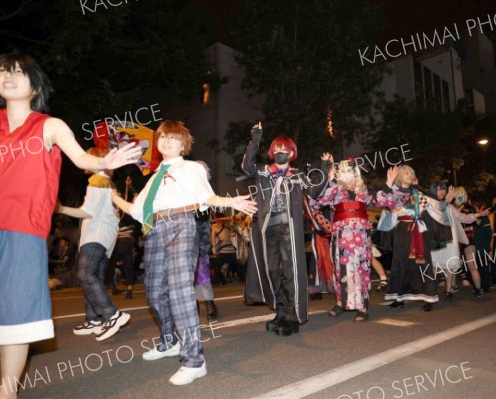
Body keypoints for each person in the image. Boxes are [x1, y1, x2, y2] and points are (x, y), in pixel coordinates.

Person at [0, 53, 141, 399]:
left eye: (20, 73)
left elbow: (81, 157)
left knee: (15, 319)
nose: (10, 77)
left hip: (23, 232)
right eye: (3, 72)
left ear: (36, 86)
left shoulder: (48, 126)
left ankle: (6, 394)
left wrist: (104, 161)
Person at [111, 120, 256, 385]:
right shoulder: (154, 176)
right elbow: (135, 210)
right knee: (154, 292)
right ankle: (169, 341)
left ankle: (194, 360)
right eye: (163, 136)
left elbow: (205, 196)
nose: (166, 141)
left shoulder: (190, 168)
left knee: (179, 292)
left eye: (173, 137)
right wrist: (112, 194)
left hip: (180, 225)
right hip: (153, 230)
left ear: (183, 144)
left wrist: (229, 201)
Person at [242, 122, 332, 336]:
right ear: (273, 152)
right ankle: (280, 310)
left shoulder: (298, 175)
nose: (282, 152)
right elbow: (247, 166)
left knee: (291, 272)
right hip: (267, 228)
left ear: (292, 153)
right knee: (271, 270)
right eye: (279, 149)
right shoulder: (263, 172)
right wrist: (255, 140)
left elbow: (315, 192)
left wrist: (325, 167)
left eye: (287, 149)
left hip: (289, 228)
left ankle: (292, 314)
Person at [55, 147, 130, 341]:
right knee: (93, 276)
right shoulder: (107, 181)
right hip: (105, 237)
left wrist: (62, 208)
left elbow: (88, 212)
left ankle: (112, 314)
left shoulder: (97, 181)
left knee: (85, 273)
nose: (83, 159)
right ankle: (94, 318)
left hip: (96, 235)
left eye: (88, 156)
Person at [377, 165, 454, 312]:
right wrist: (388, 184)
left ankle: (429, 298)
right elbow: (382, 202)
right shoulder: (393, 192)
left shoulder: (419, 193)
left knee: (423, 264)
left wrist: (446, 202)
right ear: (399, 175)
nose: (409, 174)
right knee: (400, 264)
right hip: (401, 232)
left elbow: (437, 208)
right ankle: (400, 297)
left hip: (419, 231)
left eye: (411, 172)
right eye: (406, 172)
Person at [311, 158, 372, 321]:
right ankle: (340, 302)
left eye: (349, 171)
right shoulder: (334, 190)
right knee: (340, 267)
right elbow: (314, 202)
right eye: (343, 171)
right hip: (342, 234)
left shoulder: (364, 191)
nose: (346, 174)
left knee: (362, 268)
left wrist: (389, 185)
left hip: (361, 235)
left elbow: (386, 201)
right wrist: (326, 179)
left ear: (355, 173)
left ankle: (363, 306)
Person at [108, 164, 144, 298]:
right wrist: (131, 187)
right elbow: (137, 198)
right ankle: (129, 290)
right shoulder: (128, 205)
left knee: (111, 263)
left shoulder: (115, 202)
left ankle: (113, 286)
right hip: (125, 236)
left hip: (114, 237)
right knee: (128, 263)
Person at [194, 161, 218, 322]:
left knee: (202, 273)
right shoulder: (182, 188)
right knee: (186, 275)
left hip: (199, 237)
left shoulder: (205, 190)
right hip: (183, 237)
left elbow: (203, 218)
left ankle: (209, 304)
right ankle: (192, 306)